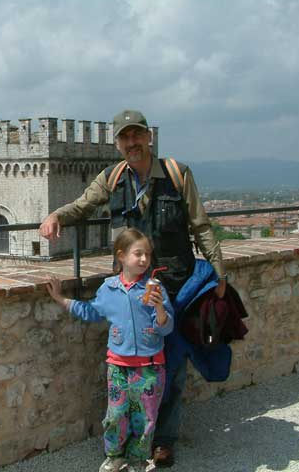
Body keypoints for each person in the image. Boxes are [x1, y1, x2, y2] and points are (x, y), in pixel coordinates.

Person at [39, 109, 227, 467]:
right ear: (118, 143)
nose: (132, 143)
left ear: (148, 138)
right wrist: (55, 217)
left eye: (137, 135)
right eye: (125, 138)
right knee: (131, 369)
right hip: (128, 290)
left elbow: (201, 225)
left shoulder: (176, 174)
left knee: (171, 365)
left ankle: (163, 440)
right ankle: (128, 441)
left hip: (174, 285)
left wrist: (219, 273)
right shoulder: (111, 178)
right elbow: (82, 205)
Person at [47, 228, 174, 472]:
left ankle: (138, 459)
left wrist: (159, 309)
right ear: (121, 256)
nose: (144, 260)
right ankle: (115, 456)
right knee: (116, 415)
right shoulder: (109, 289)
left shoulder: (154, 288)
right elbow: (90, 311)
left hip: (150, 367)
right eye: (138, 254)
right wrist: (61, 299)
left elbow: (167, 328)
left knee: (145, 418)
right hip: (118, 367)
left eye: (147, 254)